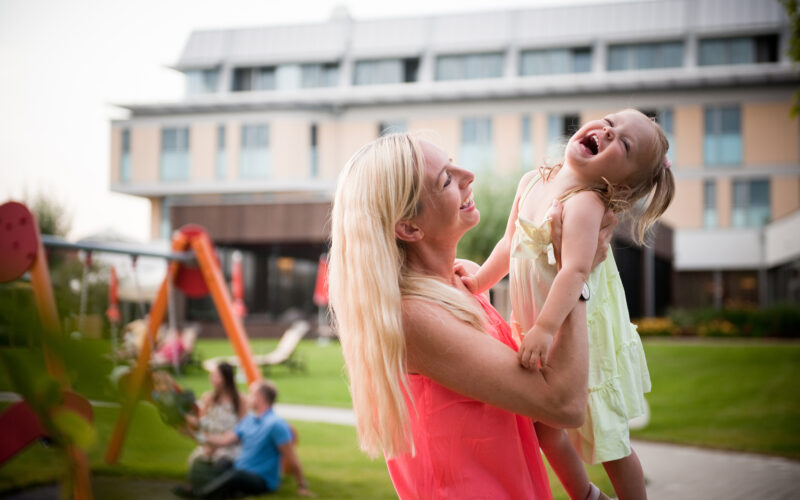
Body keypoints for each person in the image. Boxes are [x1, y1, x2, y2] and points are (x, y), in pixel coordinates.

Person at [328, 133, 618, 499]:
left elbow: (533, 408)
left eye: (453, 163)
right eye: (446, 179)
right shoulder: (415, 316)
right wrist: (575, 275)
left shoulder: (461, 285)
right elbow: (562, 404)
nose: (468, 175)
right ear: (409, 228)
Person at [458, 109, 674, 500]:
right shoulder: (532, 182)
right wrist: (477, 281)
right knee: (545, 429)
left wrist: (544, 329)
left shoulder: (585, 204)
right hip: (539, 329)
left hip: (577, 337)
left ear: (621, 185)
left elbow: (575, 271)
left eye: (623, 144)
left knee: (610, 439)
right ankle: (586, 495)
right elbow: (510, 245)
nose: (608, 132)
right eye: (610, 122)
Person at [177, 380, 311, 499]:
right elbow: (223, 440)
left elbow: (292, 458)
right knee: (201, 464)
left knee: (234, 476)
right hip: (239, 471)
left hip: (261, 479)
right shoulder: (249, 420)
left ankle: (199, 495)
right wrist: (196, 433)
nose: (247, 398)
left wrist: (302, 485)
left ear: (260, 398)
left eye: (251, 394)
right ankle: (208, 491)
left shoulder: (276, 424)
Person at [184, 362, 246, 482]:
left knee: (221, 461)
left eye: (215, 375)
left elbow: (243, 429)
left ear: (225, 379)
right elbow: (201, 425)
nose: (211, 378)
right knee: (196, 461)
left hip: (230, 446)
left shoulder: (240, 400)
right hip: (209, 444)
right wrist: (205, 443)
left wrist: (220, 443)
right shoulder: (208, 398)